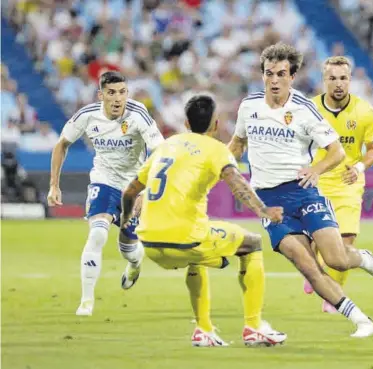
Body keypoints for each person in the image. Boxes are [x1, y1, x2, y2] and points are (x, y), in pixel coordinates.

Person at [228, 42, 373, 338]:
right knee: (307, 265)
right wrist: (221, 162)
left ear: (292, 77)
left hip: (303, 193)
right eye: (269, 74)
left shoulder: (305, 110)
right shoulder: (248, 107)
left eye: (282, 73)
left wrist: (315, 170)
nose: (275, 80)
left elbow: (337, 153)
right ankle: (361, 320)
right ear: (263, 75)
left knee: (337, 259)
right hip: (268, 201)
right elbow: (238, 144)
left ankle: (367, 260)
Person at [120, 95, 287, 347]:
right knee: (252, 243)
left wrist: (125, 219)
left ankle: (204, 330)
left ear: (186, 123)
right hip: (186, 239)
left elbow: (130, 191)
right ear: (216, 125)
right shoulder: (216, 149)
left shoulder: (166, 145)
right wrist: (262, 210)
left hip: (150, 243)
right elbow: (236, 181)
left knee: (197, 257)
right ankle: (253, 327)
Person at [47, 71, 165, 316]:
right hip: (104, 180)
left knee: (128, 249)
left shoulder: (138, 114)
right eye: (111, 93)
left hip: (133, 186)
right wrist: (54, 185)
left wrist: (144, 189)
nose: (117, 98)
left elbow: (160, 152)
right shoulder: (87, 116)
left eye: (122, 92)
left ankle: (134, 264)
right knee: (98, 233)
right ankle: (86, 302)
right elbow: (61, 144)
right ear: (101, 95)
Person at [302, 56, 373, 314]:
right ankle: (314, 270)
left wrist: (359, 167)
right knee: (315, 242)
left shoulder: (364, 111)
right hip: (317, 182)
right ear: (324, 80)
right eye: (332, 78)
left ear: (350, 80)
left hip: (349, 182)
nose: (338, 84)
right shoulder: (310, 109)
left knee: (345, 242)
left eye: (343, 78)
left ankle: (332, 297)